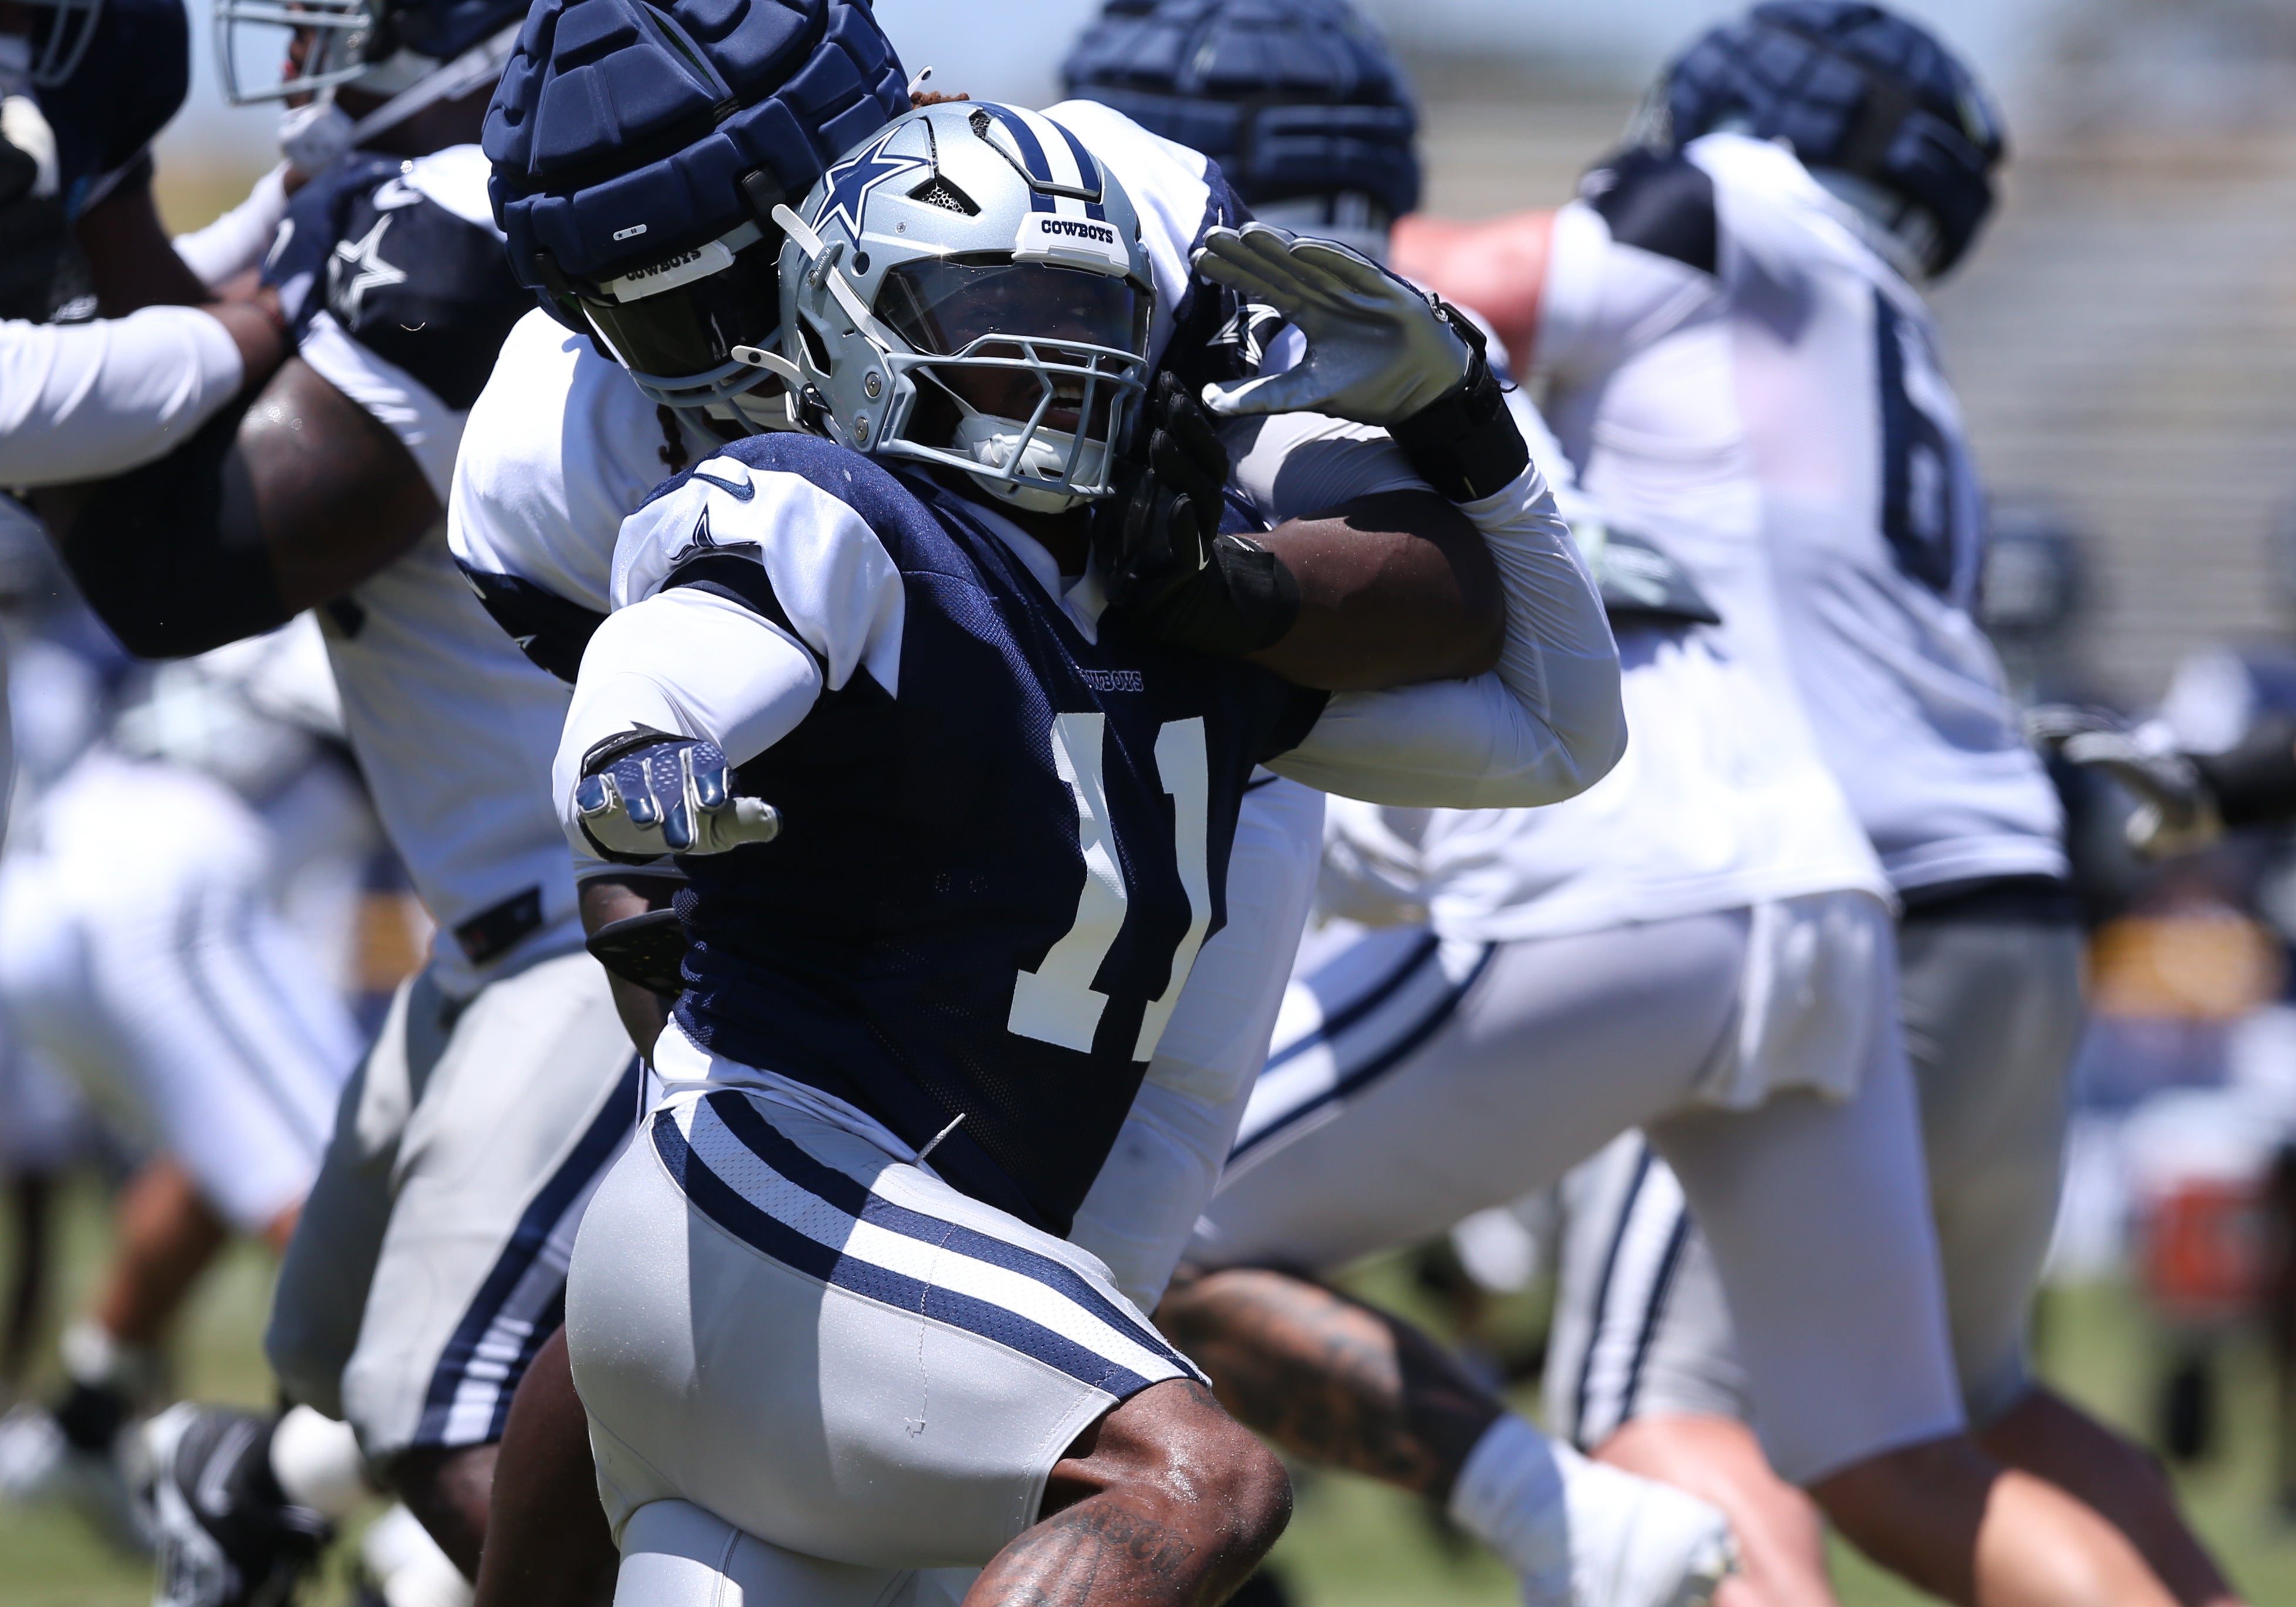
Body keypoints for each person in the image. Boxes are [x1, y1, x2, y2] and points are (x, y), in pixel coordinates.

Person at [550, 92, 1621, 1607]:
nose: (1058, 360)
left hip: (871, 1297)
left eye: (1088, 317)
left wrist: (1468, 424)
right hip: (769, 1209)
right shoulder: (844, 509)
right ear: (852, 325)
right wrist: (639, 763)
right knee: (1200, 1478)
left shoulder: (1183, 625)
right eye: (994, 314)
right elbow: (681, 652)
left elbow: (1562, 732)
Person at [1393, 5, 2241, 1604]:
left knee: (1661, 1419)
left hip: (1817, 903)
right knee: (1961, 1421)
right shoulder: (1872, 319)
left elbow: (1437, 287)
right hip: (2002, 907)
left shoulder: (1723, 205)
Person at [26, 0, 733, 1598]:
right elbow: (169, 360)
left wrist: (64, 218)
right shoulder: (384, 195)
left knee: (438, 1408)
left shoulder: (467, 213)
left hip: (597, 908)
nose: (309, 41)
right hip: (495, 923)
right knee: (333, 1354)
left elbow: (184, 566)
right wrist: (78, 216)